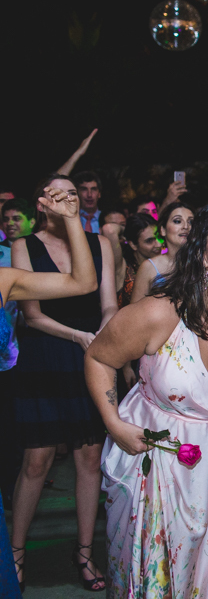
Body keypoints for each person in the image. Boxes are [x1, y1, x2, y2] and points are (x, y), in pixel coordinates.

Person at [84, 200, 208, 598]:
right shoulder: (159, 313)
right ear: (202, 252)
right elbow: (98, 358)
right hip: (161, 466)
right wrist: (113, 423)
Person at [9, 174, 117, 592]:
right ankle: (15, 554)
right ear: (43, 203)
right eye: (59, 193)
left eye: (74, 193)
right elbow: (32, 314)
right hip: (45, 355)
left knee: (89, 459)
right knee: (36, 460)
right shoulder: (25, 245)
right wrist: (77, 337)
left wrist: (103, 335)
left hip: (91, 354)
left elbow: (108, 303)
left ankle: (85, 553)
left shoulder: (98, 243)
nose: (69, 199)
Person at [130, 202, 194, 303]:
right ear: (163, 230)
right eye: (177, 221)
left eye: (191, 222)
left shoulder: (204, 263)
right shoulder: (149, 267)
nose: (186, 226)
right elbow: (134, 310)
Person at [116, 213, 160, 307]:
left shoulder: (164, 264)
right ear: (133, 245)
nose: (158, 244)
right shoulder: (124, 267)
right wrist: (124, 229)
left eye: (159, 238)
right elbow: (109, 230)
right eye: (149, 241)